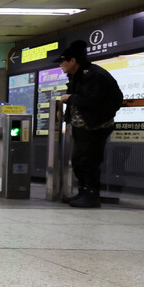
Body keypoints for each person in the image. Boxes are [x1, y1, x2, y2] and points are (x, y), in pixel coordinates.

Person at [57, 39, 122, 209]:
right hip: (82, 126)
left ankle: (91, 195)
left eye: (63, 61)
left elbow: (91, 99)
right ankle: (83, 192)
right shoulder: (78, 75)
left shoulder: (93, 75)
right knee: (79, 160)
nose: (61, 65)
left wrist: (70, 98)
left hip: (95, 126)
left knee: (89, 161)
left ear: (73, 61)